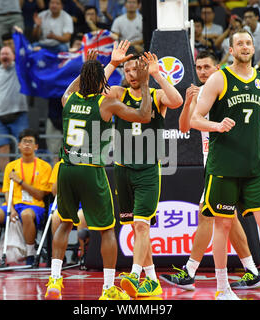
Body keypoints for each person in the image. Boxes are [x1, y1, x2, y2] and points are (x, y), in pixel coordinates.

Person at [191, 28, 260, 300]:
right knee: (223, 225)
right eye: (239, 43)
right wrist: (217, 126)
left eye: (248, 43)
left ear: (254, 49)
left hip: (254, 166)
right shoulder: (219, 79)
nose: (244, 46)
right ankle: (222, 288)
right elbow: (195, 119)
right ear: (230, 50)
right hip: (223, 167)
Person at [45, 46, 151, 301]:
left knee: (65, 223)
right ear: (102, 82)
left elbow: (79, 84)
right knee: (106, 231)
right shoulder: (106, 103)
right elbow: (144, 115)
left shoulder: (67, 99)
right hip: (91, 171)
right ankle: (107, 289)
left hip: (66, 170)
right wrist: (145, 84)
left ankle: (55, 280)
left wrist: (93, 67)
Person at [160, 50, 260, 291]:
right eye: (198, 68)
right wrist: (189, 102)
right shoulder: (202, 93)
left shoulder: (225, 88)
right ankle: (252, 271)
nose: (202, 72)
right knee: (227, 217)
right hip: (216, 162)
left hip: (225, 162)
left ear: (217, 68)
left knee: (207, 214)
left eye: (207, 67)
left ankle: (189, 272)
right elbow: (185, 127)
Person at [103, 47, 183, 298]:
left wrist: (157, 75)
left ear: (144, 69)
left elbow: (178, 101)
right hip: (123, 169)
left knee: (141, 226)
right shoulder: (118, 92)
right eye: (126, 70)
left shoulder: (156, 94)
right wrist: (112, 63)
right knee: (137, 228)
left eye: (135, 68)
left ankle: (135, 275)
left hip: (148, 169)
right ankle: (152, 280)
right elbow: (94, 91)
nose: (131, 73)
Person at [0, 128, 53, 267]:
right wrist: (11, 209)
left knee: (26, 215)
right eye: (24, 141)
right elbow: (6, 191)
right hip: (13, 204)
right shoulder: (11, 166)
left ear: (36, 147)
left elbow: (41, 194)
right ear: (19, 145)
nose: (27, 144)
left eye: (30, 142)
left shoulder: (45, 166)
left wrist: (20, 182)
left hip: (34, 206)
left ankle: (30, 254)